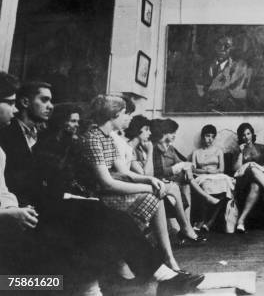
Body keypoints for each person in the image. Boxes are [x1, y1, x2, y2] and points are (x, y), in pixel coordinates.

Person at [0, 74, 205, 295]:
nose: (51, 107)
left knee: (108, 216)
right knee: (97, 219)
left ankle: (158, 274)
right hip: (28, 212)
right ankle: (132, 278)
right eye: (9, 103)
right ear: (24, 103)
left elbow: (18, 186)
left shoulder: (38, 135)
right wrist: (13, 210)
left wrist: (63, 196)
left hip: (36, 206)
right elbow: (21, 186)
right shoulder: (11, 135)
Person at [73, 95, 183, 272]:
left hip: (108, 191)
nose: (129, 118)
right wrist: (148, 186)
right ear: (113, 115)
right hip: (95, 197)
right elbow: (107, 183)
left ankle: (164, 257)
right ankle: (150, 259)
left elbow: (123, 172)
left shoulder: (107, 137)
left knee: (155, 194)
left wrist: (150, 179)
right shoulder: (93, 138)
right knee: (152, 196)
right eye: (125, 113)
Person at [125, 115, 203, 244]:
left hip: (148, 182)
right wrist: (150, 151)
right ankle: (186, 228)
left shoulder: (141, 147)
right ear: (138, 131)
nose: (149, 133)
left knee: (175, 186)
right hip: (136, 185)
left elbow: (149, 174)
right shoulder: (134, 149)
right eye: (146, 129)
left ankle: (185, 228)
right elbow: (146, 175)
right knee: (173, 187)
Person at [0, 81, 53, 206]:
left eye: (51, 101)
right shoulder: (4, 132)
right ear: (25, 102)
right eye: (44, 100)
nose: (50, 106)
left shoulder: (45, 137)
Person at [191, 124, 234, 232]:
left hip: (217, 175)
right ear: (202, 137)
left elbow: (222, 169)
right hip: (202, 176)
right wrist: (206, 171)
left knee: (226, 187)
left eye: (212, 136)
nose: (209, 139)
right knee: (205, 186)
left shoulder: (218, 151)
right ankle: (202, 221)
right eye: (207, 136)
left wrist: (213, 172)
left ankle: (209, 223)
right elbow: (193, 169)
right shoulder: (196, 152)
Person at [196, 35, 252, 112]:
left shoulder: (239, 67)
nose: (222, 49)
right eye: (219, 45)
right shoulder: (204, 65)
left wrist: (227, 93)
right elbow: (199, 87)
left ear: (232, 49)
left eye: (227, 46)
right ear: (215, 46)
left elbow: (241, 92)